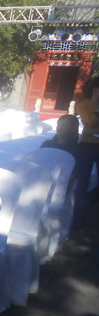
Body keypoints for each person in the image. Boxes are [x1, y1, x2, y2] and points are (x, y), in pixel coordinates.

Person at [74, 78, 99, 227]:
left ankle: (88, 202)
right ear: (95, 90)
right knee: (82, 181)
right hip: (87, 146)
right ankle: (78, 219)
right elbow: (91, 121)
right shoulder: (83, 105)